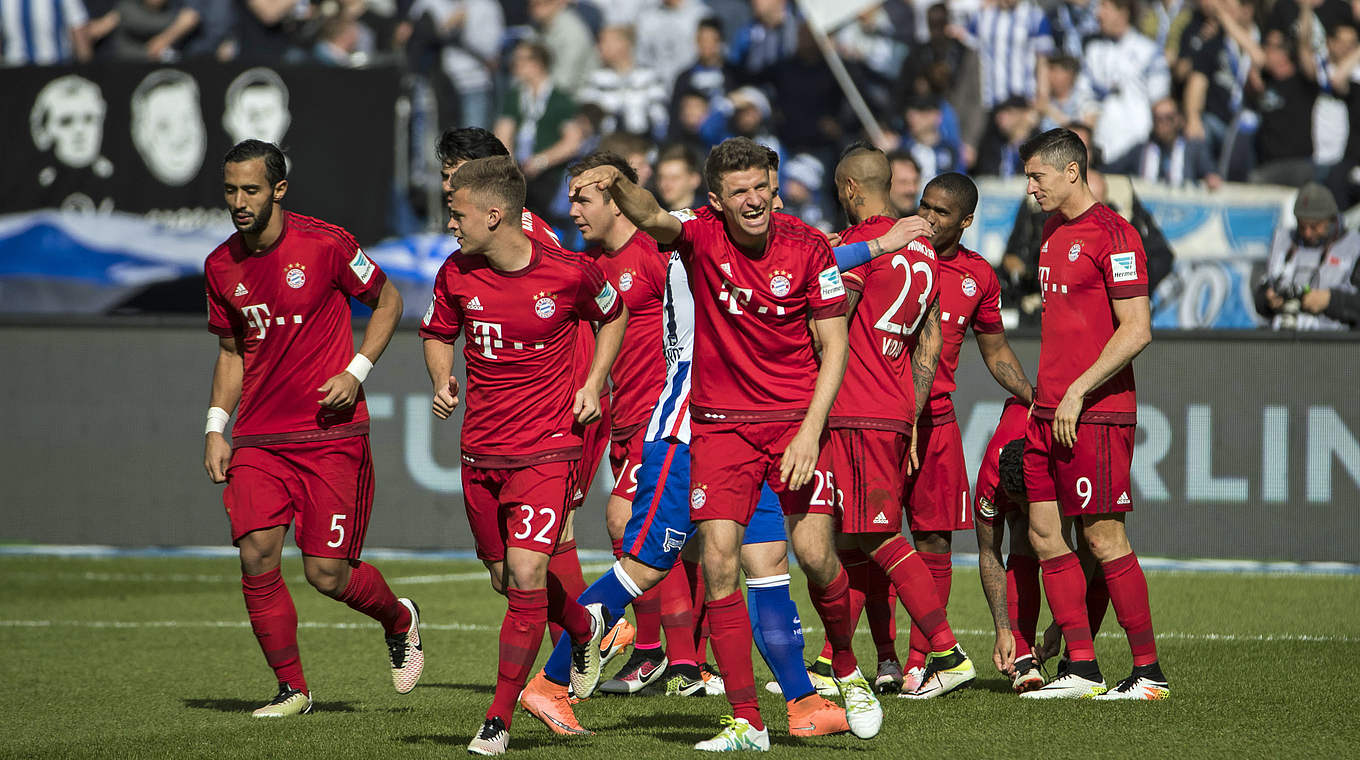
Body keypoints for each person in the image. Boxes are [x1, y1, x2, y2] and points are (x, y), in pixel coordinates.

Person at [569, 137, 882, 750]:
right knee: (723, 564)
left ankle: (844, 665)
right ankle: (748, 720)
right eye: (738, 191)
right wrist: (614, 181)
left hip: (794, 425)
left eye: (761, 186)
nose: (753, 200)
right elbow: (653, 215)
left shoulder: (810, 246)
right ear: (717, 200)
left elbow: (834, 346)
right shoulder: (698, 235)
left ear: (776, 184)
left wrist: (811, 433)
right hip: (721, 426)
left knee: (816, 555)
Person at [202, 139, 420, 718]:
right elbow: (230, 353)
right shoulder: (220, 265)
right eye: (230, 189)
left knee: (326, 573)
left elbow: (390, 299)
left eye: (250, 189)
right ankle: (291, 689)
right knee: (256, 553)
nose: (239, 201)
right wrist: (215, 427)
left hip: (330, 435)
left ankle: (399, 618)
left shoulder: (326, 243)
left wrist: (356, 370)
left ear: (278, 190)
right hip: (258, 439)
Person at [421, 155, 627, 755]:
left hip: (546, 448)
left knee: (531, 573)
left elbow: (614, 315)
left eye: (457, 213)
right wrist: (441, 379)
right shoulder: (455, 274)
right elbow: (438, 333)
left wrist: (592, 382)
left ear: (494, 214)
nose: (451, 224)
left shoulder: (569, 272)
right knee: (506, 579)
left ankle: (498, 717)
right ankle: (588, 627)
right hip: (479, 451)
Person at [431, 126, 608, 650]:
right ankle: (582, 643)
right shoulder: (476, 241)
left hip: (558, 406)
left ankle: (573, 660)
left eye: (452, 176)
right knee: (522, 562)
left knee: (557, 537)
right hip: (521, 416)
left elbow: (579, 311)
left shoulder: (532, 238)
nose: (446, 189)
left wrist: (586, 387)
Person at [819, 146, 979, 701]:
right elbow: (927, 344)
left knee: (876, 535)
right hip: (890, 407)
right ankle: (843, 659)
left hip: (857, 408)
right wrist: (910, 417)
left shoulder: (867, 251)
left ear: (849, 189)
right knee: (845, 535)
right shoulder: (926, 253)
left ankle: (946, 649)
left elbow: (830, 313)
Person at [1017, 127, 1167, 700]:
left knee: (1104, 540)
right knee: (1043, 532)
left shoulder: (1115, 234)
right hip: (1049, 409)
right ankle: (1081, 668)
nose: (1030, 188)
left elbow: (1138, 328)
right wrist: (1053, 395)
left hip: (1095, 412)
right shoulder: (1052, 231)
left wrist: (1079, 391)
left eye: (1038, 176)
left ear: (1071, 172)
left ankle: (1149, 673)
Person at [885, 171, 1036, 693]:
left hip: (937, 423)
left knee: (932, 538)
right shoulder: (889, 250)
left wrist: (1034, 399)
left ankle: (918, 662)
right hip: (882, 416)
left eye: (941, 212)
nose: (927, 216)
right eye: (924, 205)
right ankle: (866, 658)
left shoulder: (978, 276)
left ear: (966, 221)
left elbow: (995, 352)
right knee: (867, 536)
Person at [564, 151, 683, 694]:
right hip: (623, 417)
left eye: (583, 198)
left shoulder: (655, 252)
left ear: (615, 198)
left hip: (663, 416)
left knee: (626, 524)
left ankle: (658, 653)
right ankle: (681, 659)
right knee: (680, 543)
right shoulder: (589, 264)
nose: (574, 211)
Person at [972, 402, 1047, 693]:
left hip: (1049, 419)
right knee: (1021, 535)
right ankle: (1023, 653)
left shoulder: (1050, 463)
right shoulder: (988, 486)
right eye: (1016, 501)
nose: (1020, 508)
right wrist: (1002, 629)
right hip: (1016, 424)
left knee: (1033, 536)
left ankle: (1078, 657)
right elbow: (989, 553)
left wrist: (1062, 626)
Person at [1255, 182, 1360, 330]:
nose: (1307, 233)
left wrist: (1330, 301)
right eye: (1302, 226)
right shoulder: (1282, 239)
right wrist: (1268, 299)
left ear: (1330, 220)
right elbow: (1261, 292)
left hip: (1334, 344)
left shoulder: (1354, 245)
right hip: (1281, 336)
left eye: (1314, 226)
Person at [887, 150, 921, 216]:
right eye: (903, 182)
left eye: (915, 182)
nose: (912, 189)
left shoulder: (925, 222)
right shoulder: (869, 223)